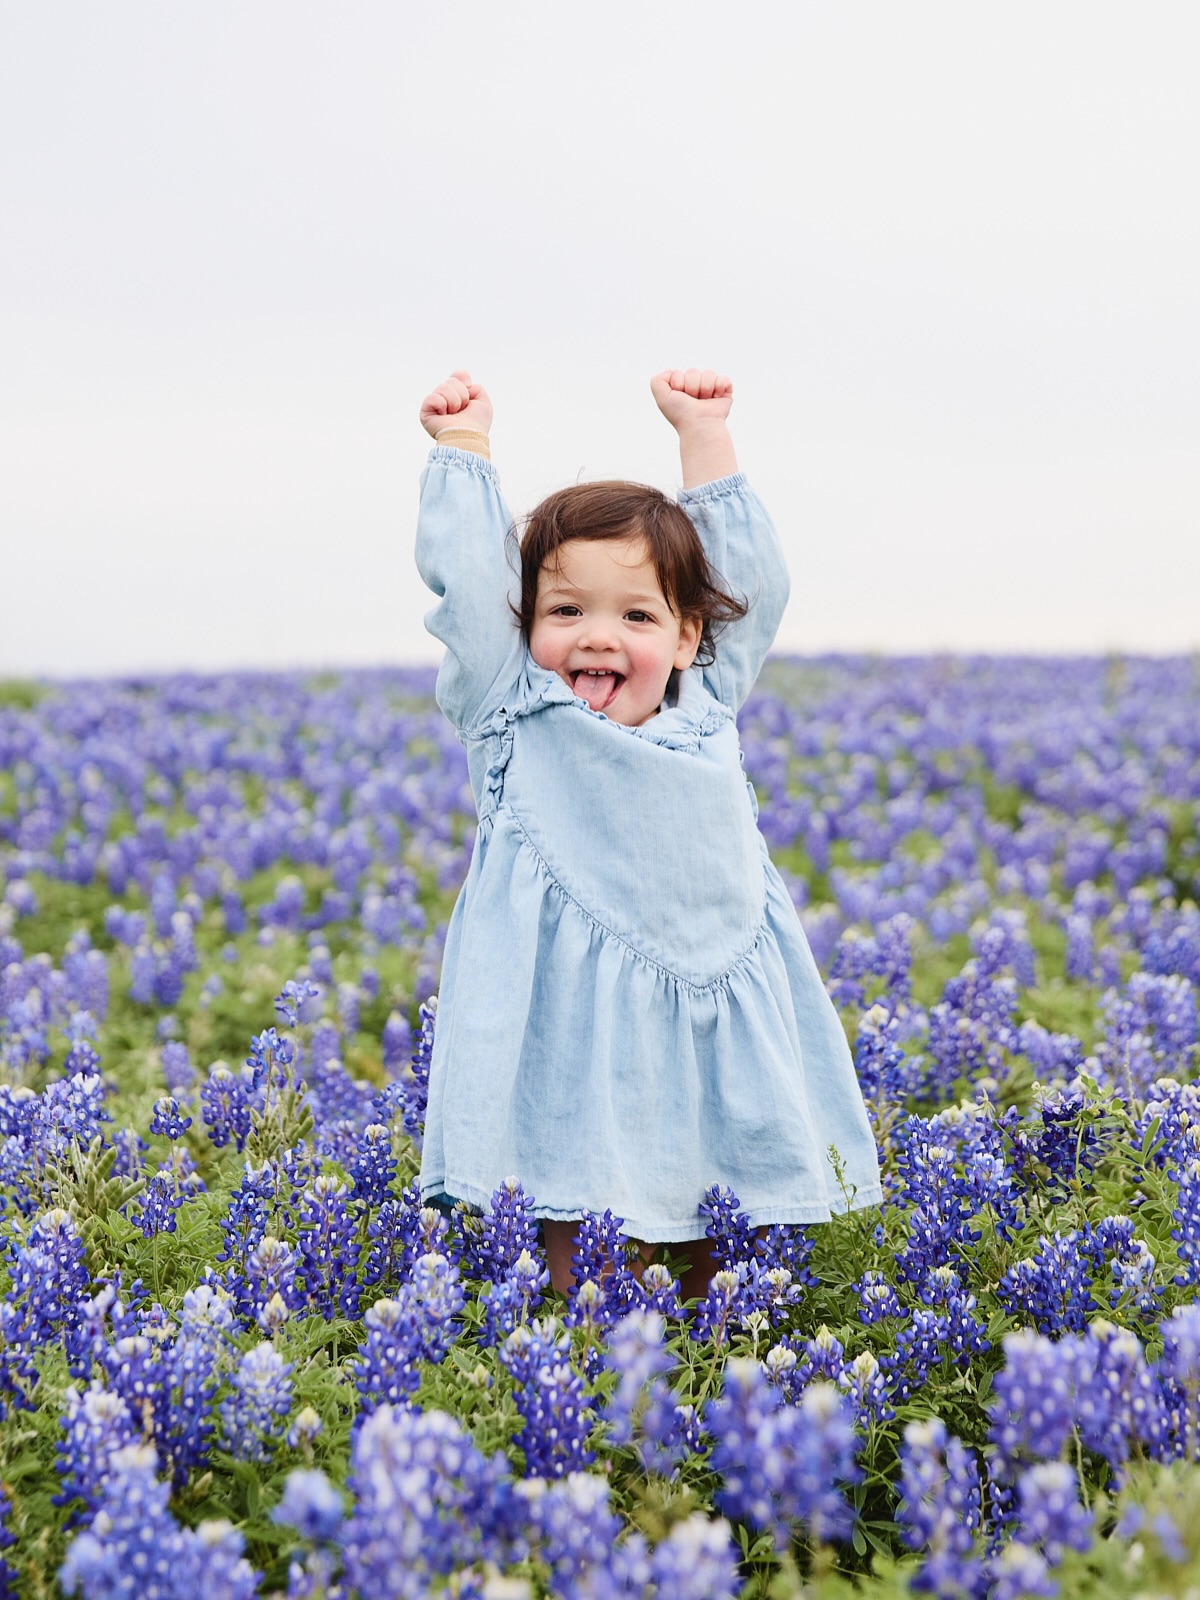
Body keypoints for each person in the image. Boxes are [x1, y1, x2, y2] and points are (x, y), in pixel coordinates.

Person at [414, 367, 882, 1299]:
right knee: (570, 1216)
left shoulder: (707, 699)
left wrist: (705, 439)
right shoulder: (513, 709)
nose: (596, 637)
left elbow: (753, 585)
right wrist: (463, 454)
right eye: (563, 611)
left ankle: (713, 1349)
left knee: (720, 1213)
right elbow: (469, 598)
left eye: (636, 615)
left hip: (708, 989)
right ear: (524, 626)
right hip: (569, 1018)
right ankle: (584, 1354)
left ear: (687, 636)